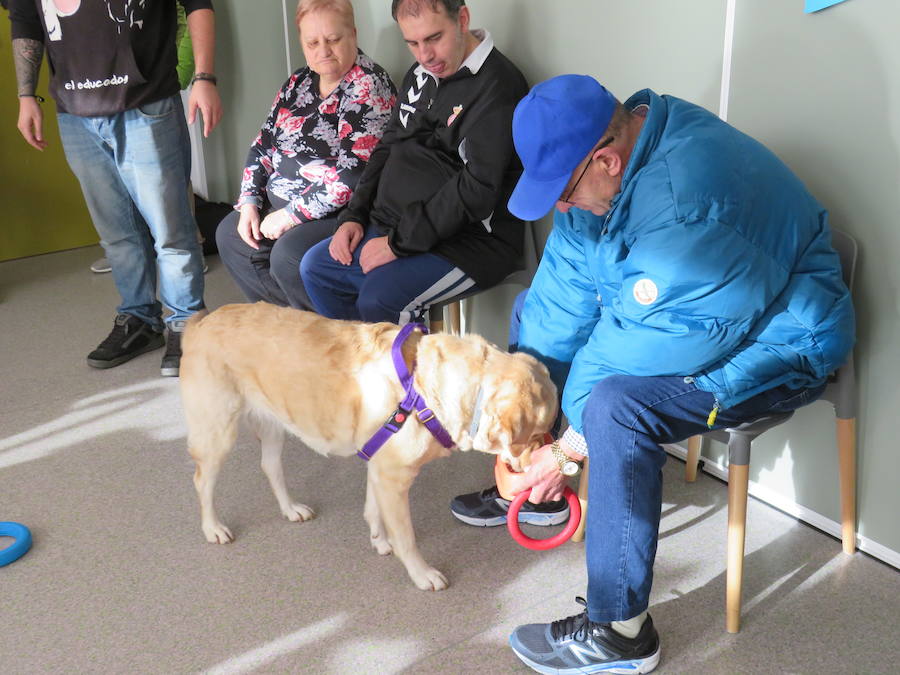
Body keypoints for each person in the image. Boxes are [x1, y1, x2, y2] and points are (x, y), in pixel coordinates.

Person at [451, 75, 856, 674]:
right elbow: (562, 297)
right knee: (538, 349)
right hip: (691, 320)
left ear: (608, 160)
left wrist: (566, 452)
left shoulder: (690, 205)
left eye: (562, 194)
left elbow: (652, 347)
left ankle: (620, 634)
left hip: (783, 341)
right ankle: (544, 493)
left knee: (615, 409)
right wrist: (529, 417)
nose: (561, 207)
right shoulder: (606, 168)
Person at [10, 0, 223, 377]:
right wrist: (26, 95)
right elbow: (26, 18)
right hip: (75, 114)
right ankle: (140, 319)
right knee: (117, 234)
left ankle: (187, 324)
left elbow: (197, 4)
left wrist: (204, 78)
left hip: (146, 103)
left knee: (170, 230)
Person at [298, 0, 528, 325]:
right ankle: (363, 370)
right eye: (413, 43)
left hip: (469, 242)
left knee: (380, 298)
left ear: (462, 19)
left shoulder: (498, 86)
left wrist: (396, 244)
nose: (424, 55)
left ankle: (403, 376)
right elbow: (388, 145)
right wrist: (355, 216)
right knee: (317, 269)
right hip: (398, 224)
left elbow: (475, 189)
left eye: (434, 38)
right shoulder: (422, 74)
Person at [215, 0, 396, 311]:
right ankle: (289, 326)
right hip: (282, 202)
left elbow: (355, 174)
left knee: (289, 255)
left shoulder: (368, 84)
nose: (323, 50)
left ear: (353, 33)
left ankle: (324, 335)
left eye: (333, 39)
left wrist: (290, 216)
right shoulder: (298, 83)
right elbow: (263, 145)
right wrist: (249, 203)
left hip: (341, 212)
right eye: (312, 42)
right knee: (231, 234)